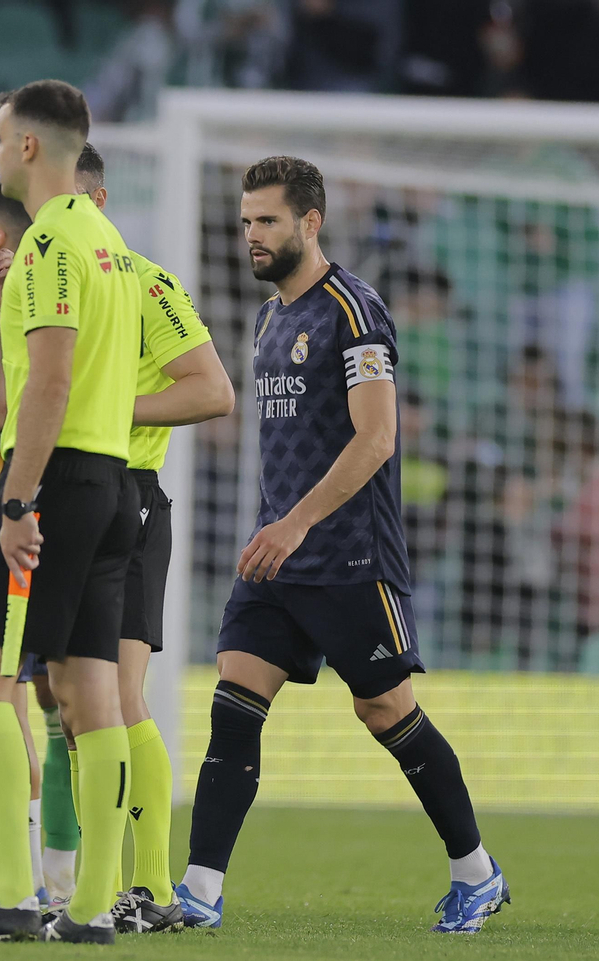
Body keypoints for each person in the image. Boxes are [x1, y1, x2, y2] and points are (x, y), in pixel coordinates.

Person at [173, 156, 507, 934]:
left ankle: (477, 873)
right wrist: (275, 529)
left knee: (385, 708)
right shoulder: (267, 319)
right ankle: (198, 889)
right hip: (277, 559)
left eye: (268, 221)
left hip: (349, 555)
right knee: (235, 704)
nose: (251, 235)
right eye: (246, 219)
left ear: (310, 223)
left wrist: (296, 523)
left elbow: (377, 437)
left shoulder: (353, 311)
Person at [0, 80, 145, 945]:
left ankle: (9, 891)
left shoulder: (50, 237)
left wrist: (15, 500)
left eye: (0, 132)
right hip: (111, 482)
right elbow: (48, 381)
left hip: (51, 485)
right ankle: (89, 907)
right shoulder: (109, 243)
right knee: (92, 696)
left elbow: (48, 384)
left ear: (28, 148)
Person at [75, 143, 235, 933]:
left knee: (117, 696)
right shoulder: (44, 278)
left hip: (127, 498)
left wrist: (108, 411)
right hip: (68, 495)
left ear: (98, 199)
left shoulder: (144, 281)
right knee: (78, 701)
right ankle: (108, 885)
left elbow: (211, 388)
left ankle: (151, 887)